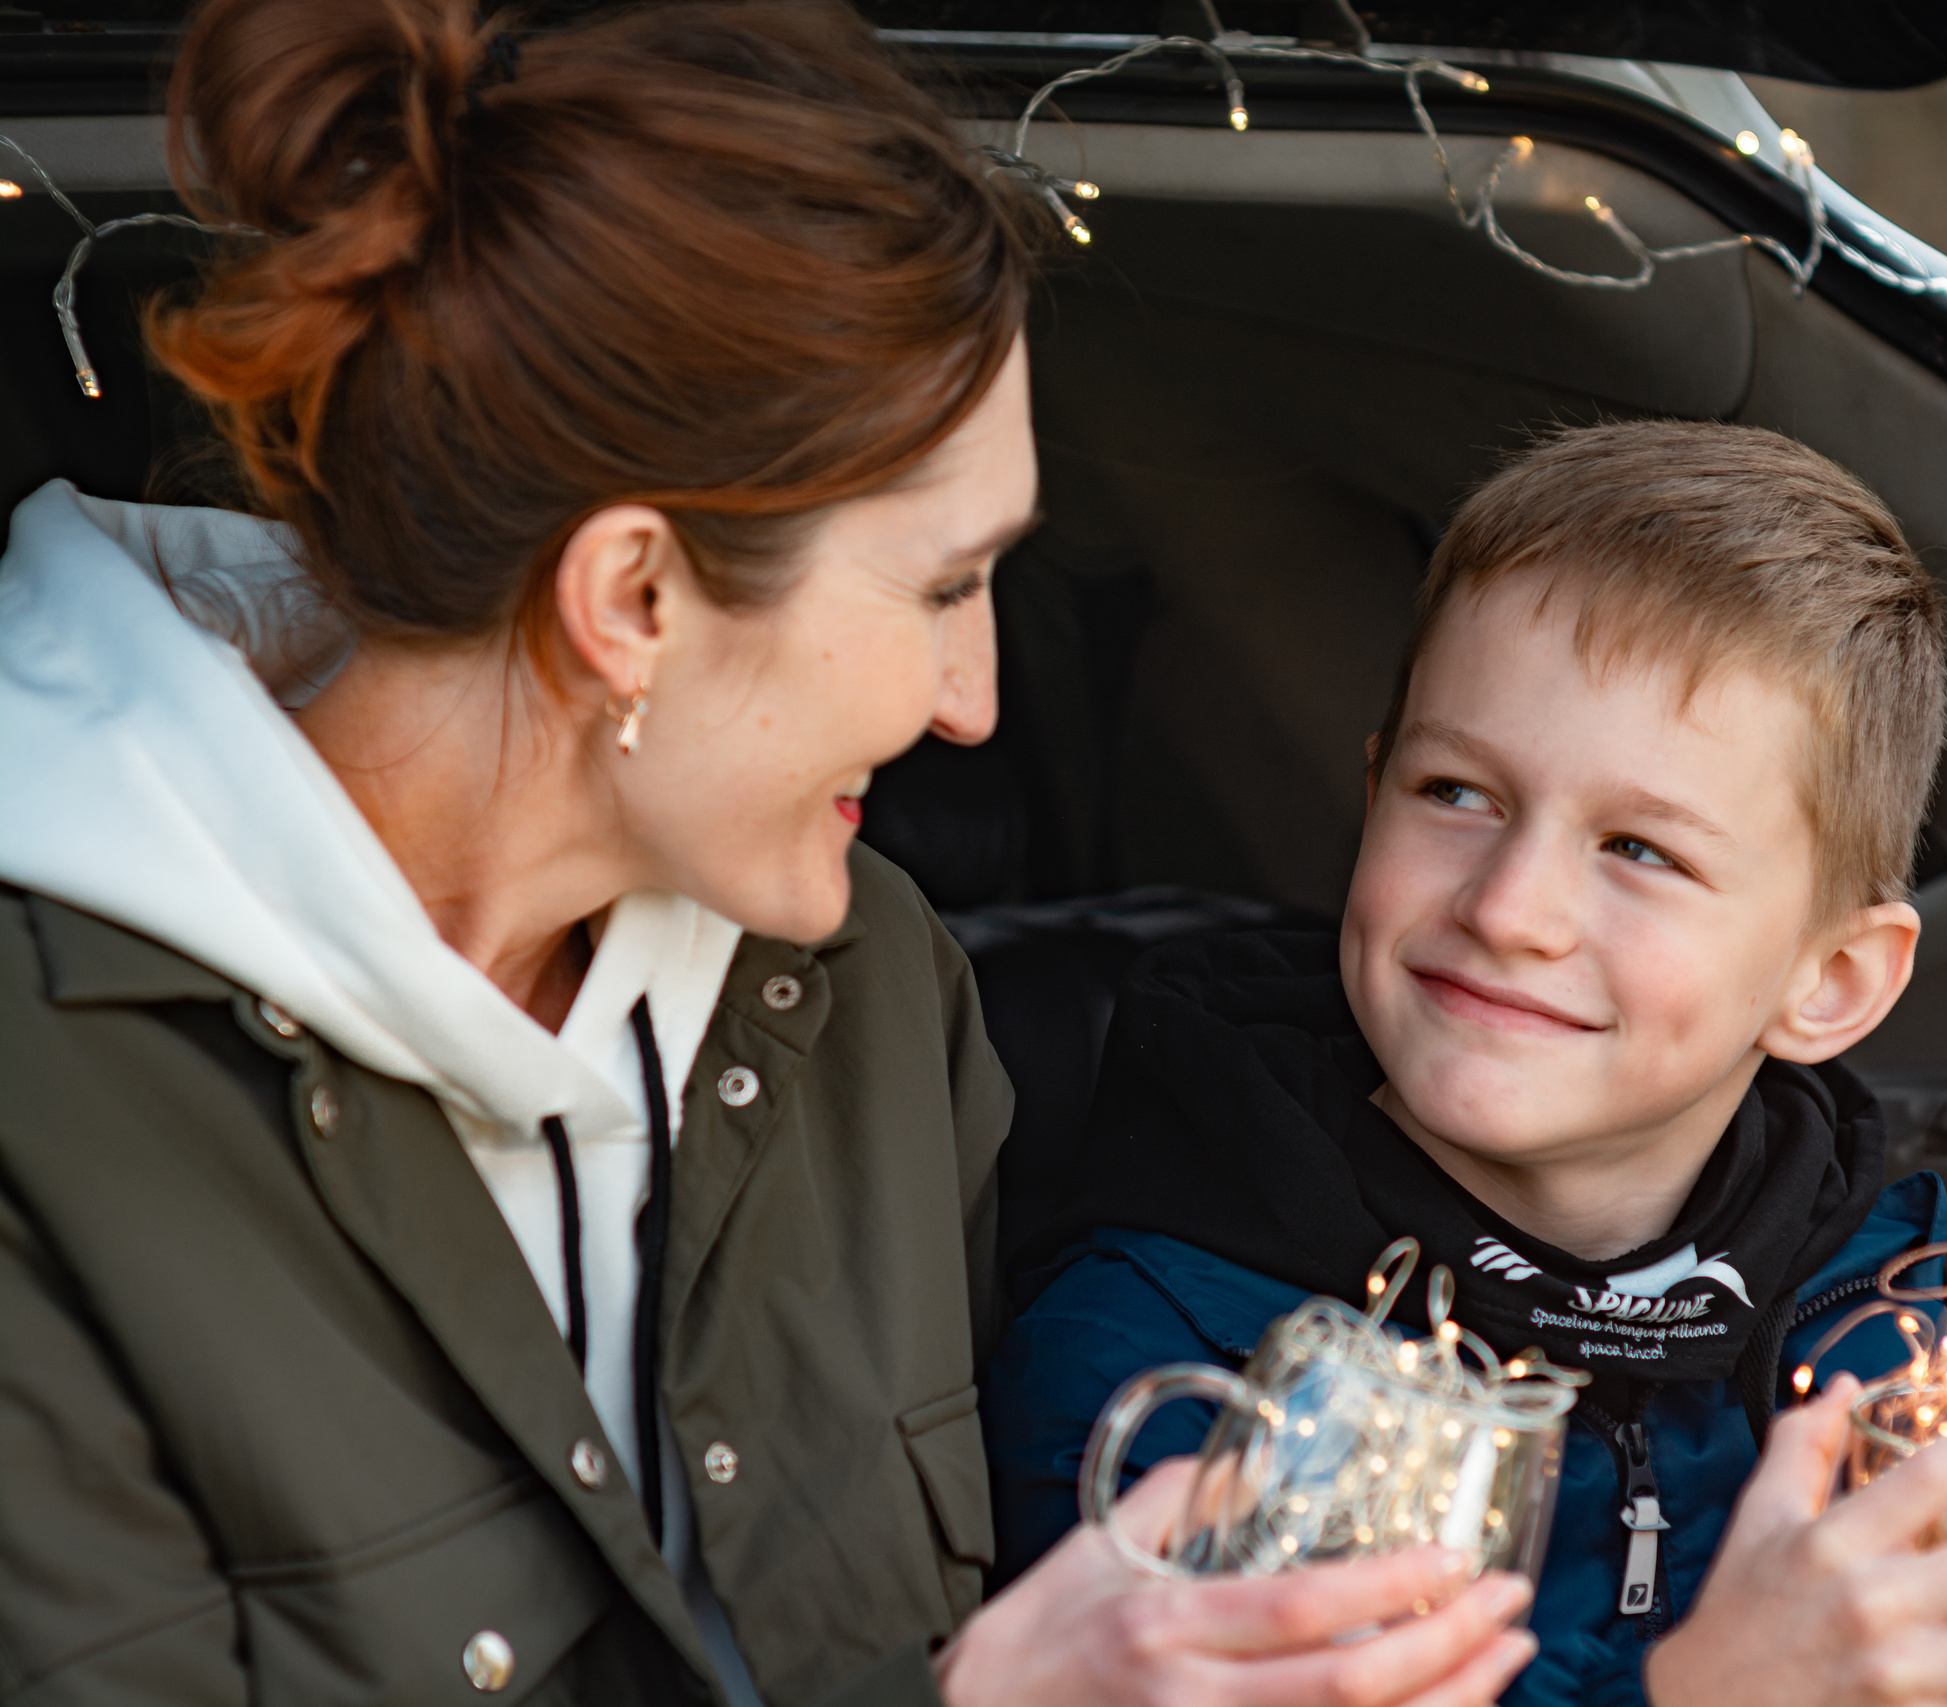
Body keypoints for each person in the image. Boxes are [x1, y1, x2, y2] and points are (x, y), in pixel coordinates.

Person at [0, 3, 1536, 1703]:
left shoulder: (868, 984)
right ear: (634, 601)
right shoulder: (42, 1122)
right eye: (944, 587)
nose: (975, 704)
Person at [984, 422, 1947, 1707]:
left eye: (1640, 851)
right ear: (1373, 794)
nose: (1511, 908)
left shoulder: (1885, 1326)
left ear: (1829, 984)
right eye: (1455, 793)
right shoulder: (1157, 1363)